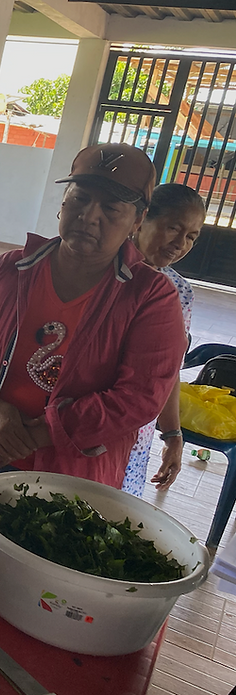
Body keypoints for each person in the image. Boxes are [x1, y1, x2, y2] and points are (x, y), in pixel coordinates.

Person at [0, 144, 188, 488]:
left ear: (138, 219)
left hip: (70, 481)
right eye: (80, 198)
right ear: (64, 201)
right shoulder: (9, 270)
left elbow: (139, 398)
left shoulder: (151, 298)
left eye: (111, 208)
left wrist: (35, 436)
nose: (89, 216)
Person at [121, 183, 206, 494]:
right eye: (173, 228)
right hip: (81, 426)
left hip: (135, 436)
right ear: (141, 220)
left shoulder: (179, 292)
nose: (180, 243)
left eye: (191, 237)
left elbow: (168, 370)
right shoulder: (104, 273)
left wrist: (172, 435)